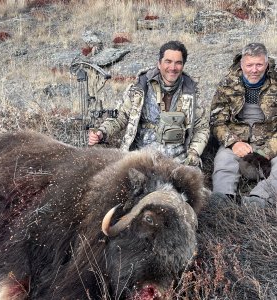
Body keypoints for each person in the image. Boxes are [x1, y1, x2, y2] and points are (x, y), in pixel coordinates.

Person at [88, 40, 209, 167]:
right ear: (159, 63)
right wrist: (102, 132)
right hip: (140, 158)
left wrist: (194, 152)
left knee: (193, 184)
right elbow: (120, 117)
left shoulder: (192, 92)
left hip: (179, 162)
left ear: (183, 65)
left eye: (178, 63)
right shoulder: (139, 88)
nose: (173, 68)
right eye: (168, 61)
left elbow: (202, 127)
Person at [210, 42, 277, 207]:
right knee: (223, 161)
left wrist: (267, 151)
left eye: (259, 64)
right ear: (242, 64)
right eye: (249, 65)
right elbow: (216, 120)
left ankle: (259, 199)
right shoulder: (228, 84)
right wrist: (233, 143)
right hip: (237, 141)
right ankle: (223, 199)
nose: (254, 70)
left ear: (267, 64)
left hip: (269, 141)